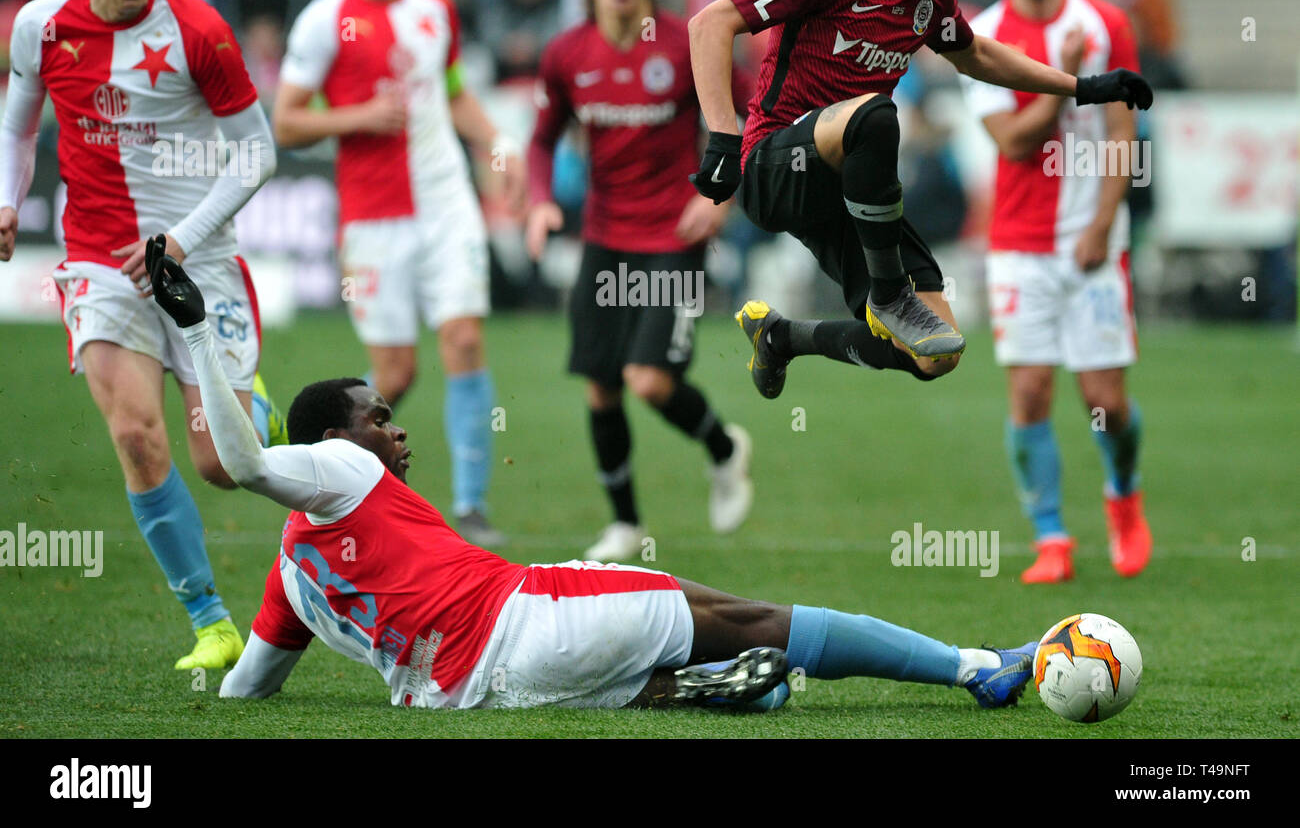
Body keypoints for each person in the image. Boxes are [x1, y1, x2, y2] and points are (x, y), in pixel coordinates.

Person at [145, 235, 1040, 712]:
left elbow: (248, 687)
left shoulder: (292, 579)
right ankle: (975, 668)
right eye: (378, 416)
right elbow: (248, 462)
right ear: (335, 440)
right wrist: (193, 336)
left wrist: (204, 695)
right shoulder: (339, 467)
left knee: (671, 664)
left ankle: (678, 693)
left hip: (467, 698)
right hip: (521, 620)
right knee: (744, 615)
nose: (395, 429)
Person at [685, 0, 1153, 400]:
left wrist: (1082, 87)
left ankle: (783, 338)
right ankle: (888, 294)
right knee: (876, 116)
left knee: (937, 352)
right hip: (775, 167)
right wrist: (723, 136)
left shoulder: (928, 1)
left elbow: (975, 53)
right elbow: (710, 23)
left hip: (841, 194)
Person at [0, 0, 281, 670]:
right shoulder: (40, 26)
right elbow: (18, 127)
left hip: (198, 257)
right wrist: (8, 201)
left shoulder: (200, 29)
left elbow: (257, 150)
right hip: (97, 258)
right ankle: (211, 623)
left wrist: (181, 242)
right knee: (134, 432)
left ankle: (254, 405)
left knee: (222, 465)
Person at [272, 0, 517, 547]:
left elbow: (456, 95)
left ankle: (470, 509)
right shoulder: (324, 21)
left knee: (464, 340)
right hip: (373, 218)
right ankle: (336, 472)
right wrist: (357, 117)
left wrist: (497, 145)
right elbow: (286, 120)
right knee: (396, 372)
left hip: (445, 204)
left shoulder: (434, 10)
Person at [523, 0, 752, 562]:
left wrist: (721, 196)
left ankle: (725, 448)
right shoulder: (567, 54)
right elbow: (541, 140)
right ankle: (624, 525)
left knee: (649, 381)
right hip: (604, 236)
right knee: (601, 386)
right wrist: (539, 202)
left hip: (672, 234)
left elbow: (748, 113)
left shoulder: (688, 43)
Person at [962, 0, 1150, 583]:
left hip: (1091, 239)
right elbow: (1011, 142)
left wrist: (1103, 224)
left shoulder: (1107, 23)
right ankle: (1052, 539)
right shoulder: (979, 35)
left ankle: (1124, 499)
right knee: (1032, 393)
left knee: (1105, 400)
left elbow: (1124, 133)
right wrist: (1066, 83)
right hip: (1017, 242)